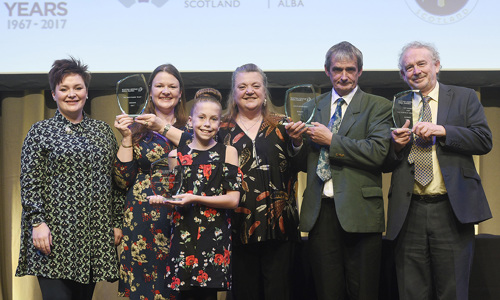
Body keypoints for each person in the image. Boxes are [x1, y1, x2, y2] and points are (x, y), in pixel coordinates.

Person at [385, 41, 492, 300]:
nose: (416, 71)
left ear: (437, 65)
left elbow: (483, 140)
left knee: (453, 291)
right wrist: (396, 148)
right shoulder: (396, 105)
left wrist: (442, 130)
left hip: (451, 210)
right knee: (411, 291)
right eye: (408, 67)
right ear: (402, 75)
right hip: (409, 211)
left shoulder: (464, 96)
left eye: (422, 63)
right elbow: (385, 160)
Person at [290, 41, 393, 300]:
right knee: (327, 291)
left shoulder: (378, 106)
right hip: (320, 211)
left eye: (350, 69)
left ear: (360, 72)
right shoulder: (312, 106)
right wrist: (295, 143)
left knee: (363, 291)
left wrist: (332, 140)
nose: (343, 76)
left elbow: (378, 152)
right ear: (327, 71)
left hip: (361, 211)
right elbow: (304, 163)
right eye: (337, 69)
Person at [15, 57, 124, 300]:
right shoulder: (40, 131)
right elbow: (30, 181)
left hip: (93, 236)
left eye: (78, 88)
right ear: (54, 94)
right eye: (63, 89)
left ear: (86, 91)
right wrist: (37, 223)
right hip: (53, 236)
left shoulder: (102, 131)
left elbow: (116, 181)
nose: (71, 94)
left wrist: (117, 221)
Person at [218, 63, 306, 300]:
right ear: (234, 93)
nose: (249, 91)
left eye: (256, 86)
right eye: (242, 86)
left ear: (265, 91)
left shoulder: (283, 124)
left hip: (279, 226)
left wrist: (297, 144)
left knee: (279, 292)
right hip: (237, 226)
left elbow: (301, 166)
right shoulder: (221, 129)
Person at [149, 88, 242, 300]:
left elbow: (233, 199)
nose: (207, 124)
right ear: (190, 121)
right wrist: (163, 201)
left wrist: (196, 198)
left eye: (213, 119)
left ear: (220, 123)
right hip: (183, 236)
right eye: (201, 118)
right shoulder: (176, 155)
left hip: (214, 238)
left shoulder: (228, 152)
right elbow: (176, 199)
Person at [114, 63, 190, 299]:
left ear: (180, 93)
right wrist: (127, 138)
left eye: (172, 86)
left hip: (182, 215)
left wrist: (163, 127)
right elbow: (122, 179)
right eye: (159, 85)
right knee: (144, 289)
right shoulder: (137, 127)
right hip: (141, 218)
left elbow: (203, 153)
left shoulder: (194, 126)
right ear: (150, 91)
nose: (165, 91)